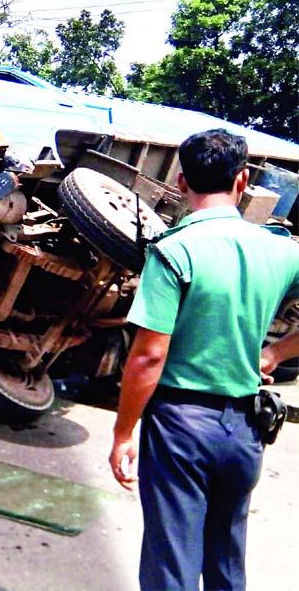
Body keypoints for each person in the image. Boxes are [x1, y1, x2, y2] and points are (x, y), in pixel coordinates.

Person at [108, 128, 299, 590]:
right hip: (246, 430)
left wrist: (123, 432)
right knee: (225, 562)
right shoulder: (282, 251)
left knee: (171, 563)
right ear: (243, 179)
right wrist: (272, 353)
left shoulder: (175, 251)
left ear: (179, 182)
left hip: (180, 427)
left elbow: (149, 357)